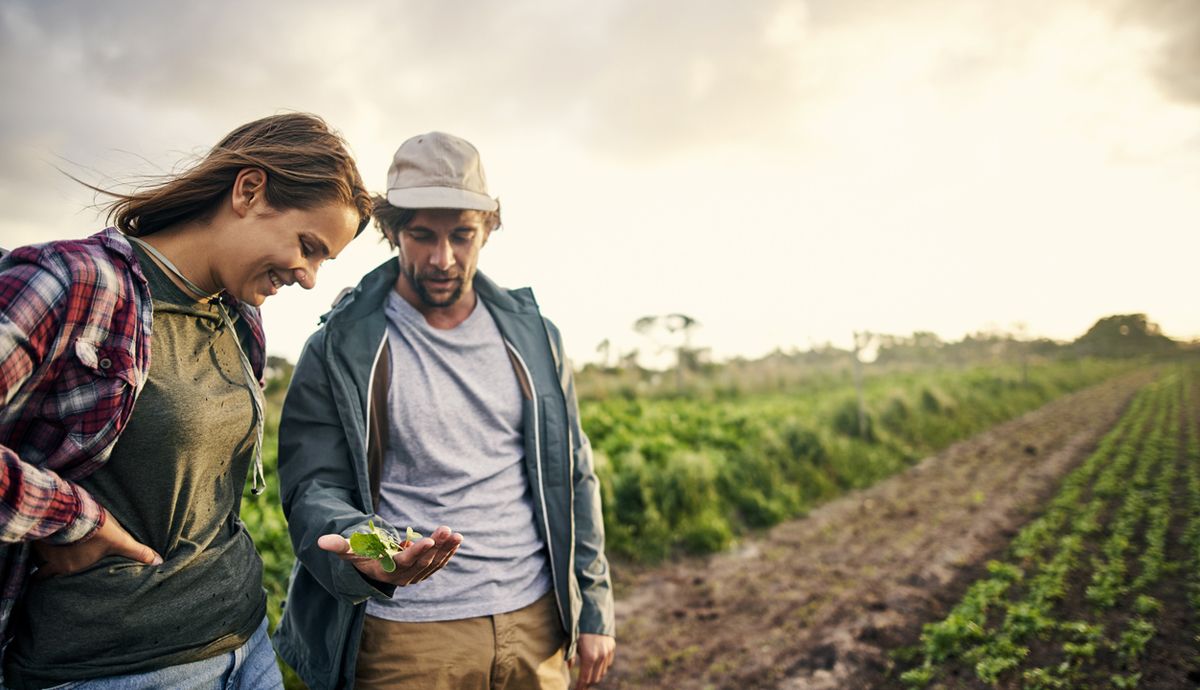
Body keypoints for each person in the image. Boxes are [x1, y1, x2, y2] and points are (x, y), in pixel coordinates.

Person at [0, 112, 372, 689]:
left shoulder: (240, 320)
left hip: (247, 645)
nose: (309, 277)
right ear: (249, 190)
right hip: (109, 669)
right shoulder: (71, 280)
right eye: (308, 246)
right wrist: (72, 519)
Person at [274, 131, 616, 690]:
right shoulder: (340, 345)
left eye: (462, 235)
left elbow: (574, 474)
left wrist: (594, 606)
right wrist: (369, 548)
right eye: (421, 236)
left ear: (489, 229)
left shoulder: (536, 338)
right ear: (390, 231)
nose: (443, 258)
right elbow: (313, 489)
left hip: (535, 621)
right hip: (405, 637)